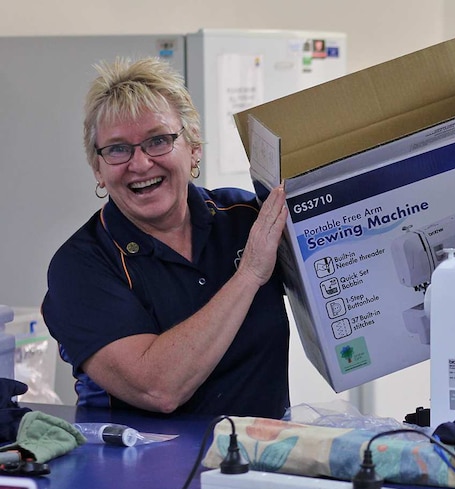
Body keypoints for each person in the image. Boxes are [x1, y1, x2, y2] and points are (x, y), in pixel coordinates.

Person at [42, 57, 290, 418]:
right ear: (98, 169)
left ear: (193, 149)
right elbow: (157, 387)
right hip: (138, 471)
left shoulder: (244, 219)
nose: (140, 164)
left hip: (263, 462)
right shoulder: (80, 266)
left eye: (158, 141)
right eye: (117, 149)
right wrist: (250, 274)